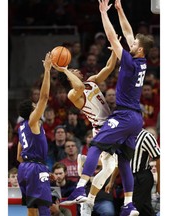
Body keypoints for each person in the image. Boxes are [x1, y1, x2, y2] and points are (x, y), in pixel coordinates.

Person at [60, 0, 154, 216]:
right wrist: (120, 10)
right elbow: (128, 32)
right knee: (122, 162)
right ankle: (128, 205)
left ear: (139, 49)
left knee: (95, 146)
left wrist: (104, 13)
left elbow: (114, 36)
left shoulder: (130, 62)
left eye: (133, 44)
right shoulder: (141, 61)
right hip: (132, 119)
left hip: (122, 116)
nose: (130, 43)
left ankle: (80, 189)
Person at [52, 40, 119, 216]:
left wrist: (114, 50)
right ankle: (88, 198)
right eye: (73, 71)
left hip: (109, 127)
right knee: (111, 166)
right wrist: (64, 69)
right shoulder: (73, 94)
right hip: (101, 128)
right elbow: (79, 86)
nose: (77, 70)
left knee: (110, 167)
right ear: (69, 78)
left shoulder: (91, 81)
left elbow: (108, 68)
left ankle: (88, 199)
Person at [16, 52, 52, 216]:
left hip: (23, 169)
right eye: (34, 106)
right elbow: (44, 97)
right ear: (32, 111)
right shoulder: (32, 121)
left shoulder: (21, 127)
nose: (38, 108)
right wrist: (47, 70)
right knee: (43, 208)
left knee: (31, 209)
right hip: (35, 167)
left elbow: (18, 156)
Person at [105, 128, 161, 216]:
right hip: (128, 177)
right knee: (144, 209)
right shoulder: (122, 136)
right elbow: (120, 161)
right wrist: (111, 181)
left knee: (130, 209)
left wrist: (159, 184)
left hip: (142, 177)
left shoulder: (146, 136)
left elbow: (158, 157)